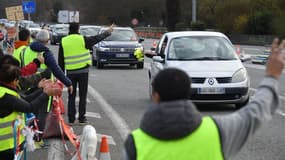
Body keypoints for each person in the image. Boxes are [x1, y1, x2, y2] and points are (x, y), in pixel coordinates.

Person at [122, 38, 285, 160]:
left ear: (155, 96)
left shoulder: (135, 144)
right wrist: (271, 76)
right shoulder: (217, 131)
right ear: (187, 94)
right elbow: (256, 111)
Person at [0, 64, 60, 160]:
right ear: (14, 81)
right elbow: (29, 107)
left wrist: (41, 89)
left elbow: (24, 100)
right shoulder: (6, 97)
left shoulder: (4, 91)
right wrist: (45, 94)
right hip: (4, 146)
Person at [58, 22, 114, 124]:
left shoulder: (63, 41)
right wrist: (108, 32)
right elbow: (97, 38)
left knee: (71, 96)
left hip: (70, 73)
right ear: (78, 29)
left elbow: (60, 61)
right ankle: (82, 118)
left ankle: (71, 119)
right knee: (82, 95)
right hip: (83, 72)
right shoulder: (83, 39)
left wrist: (61, 77)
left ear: (69, 30)